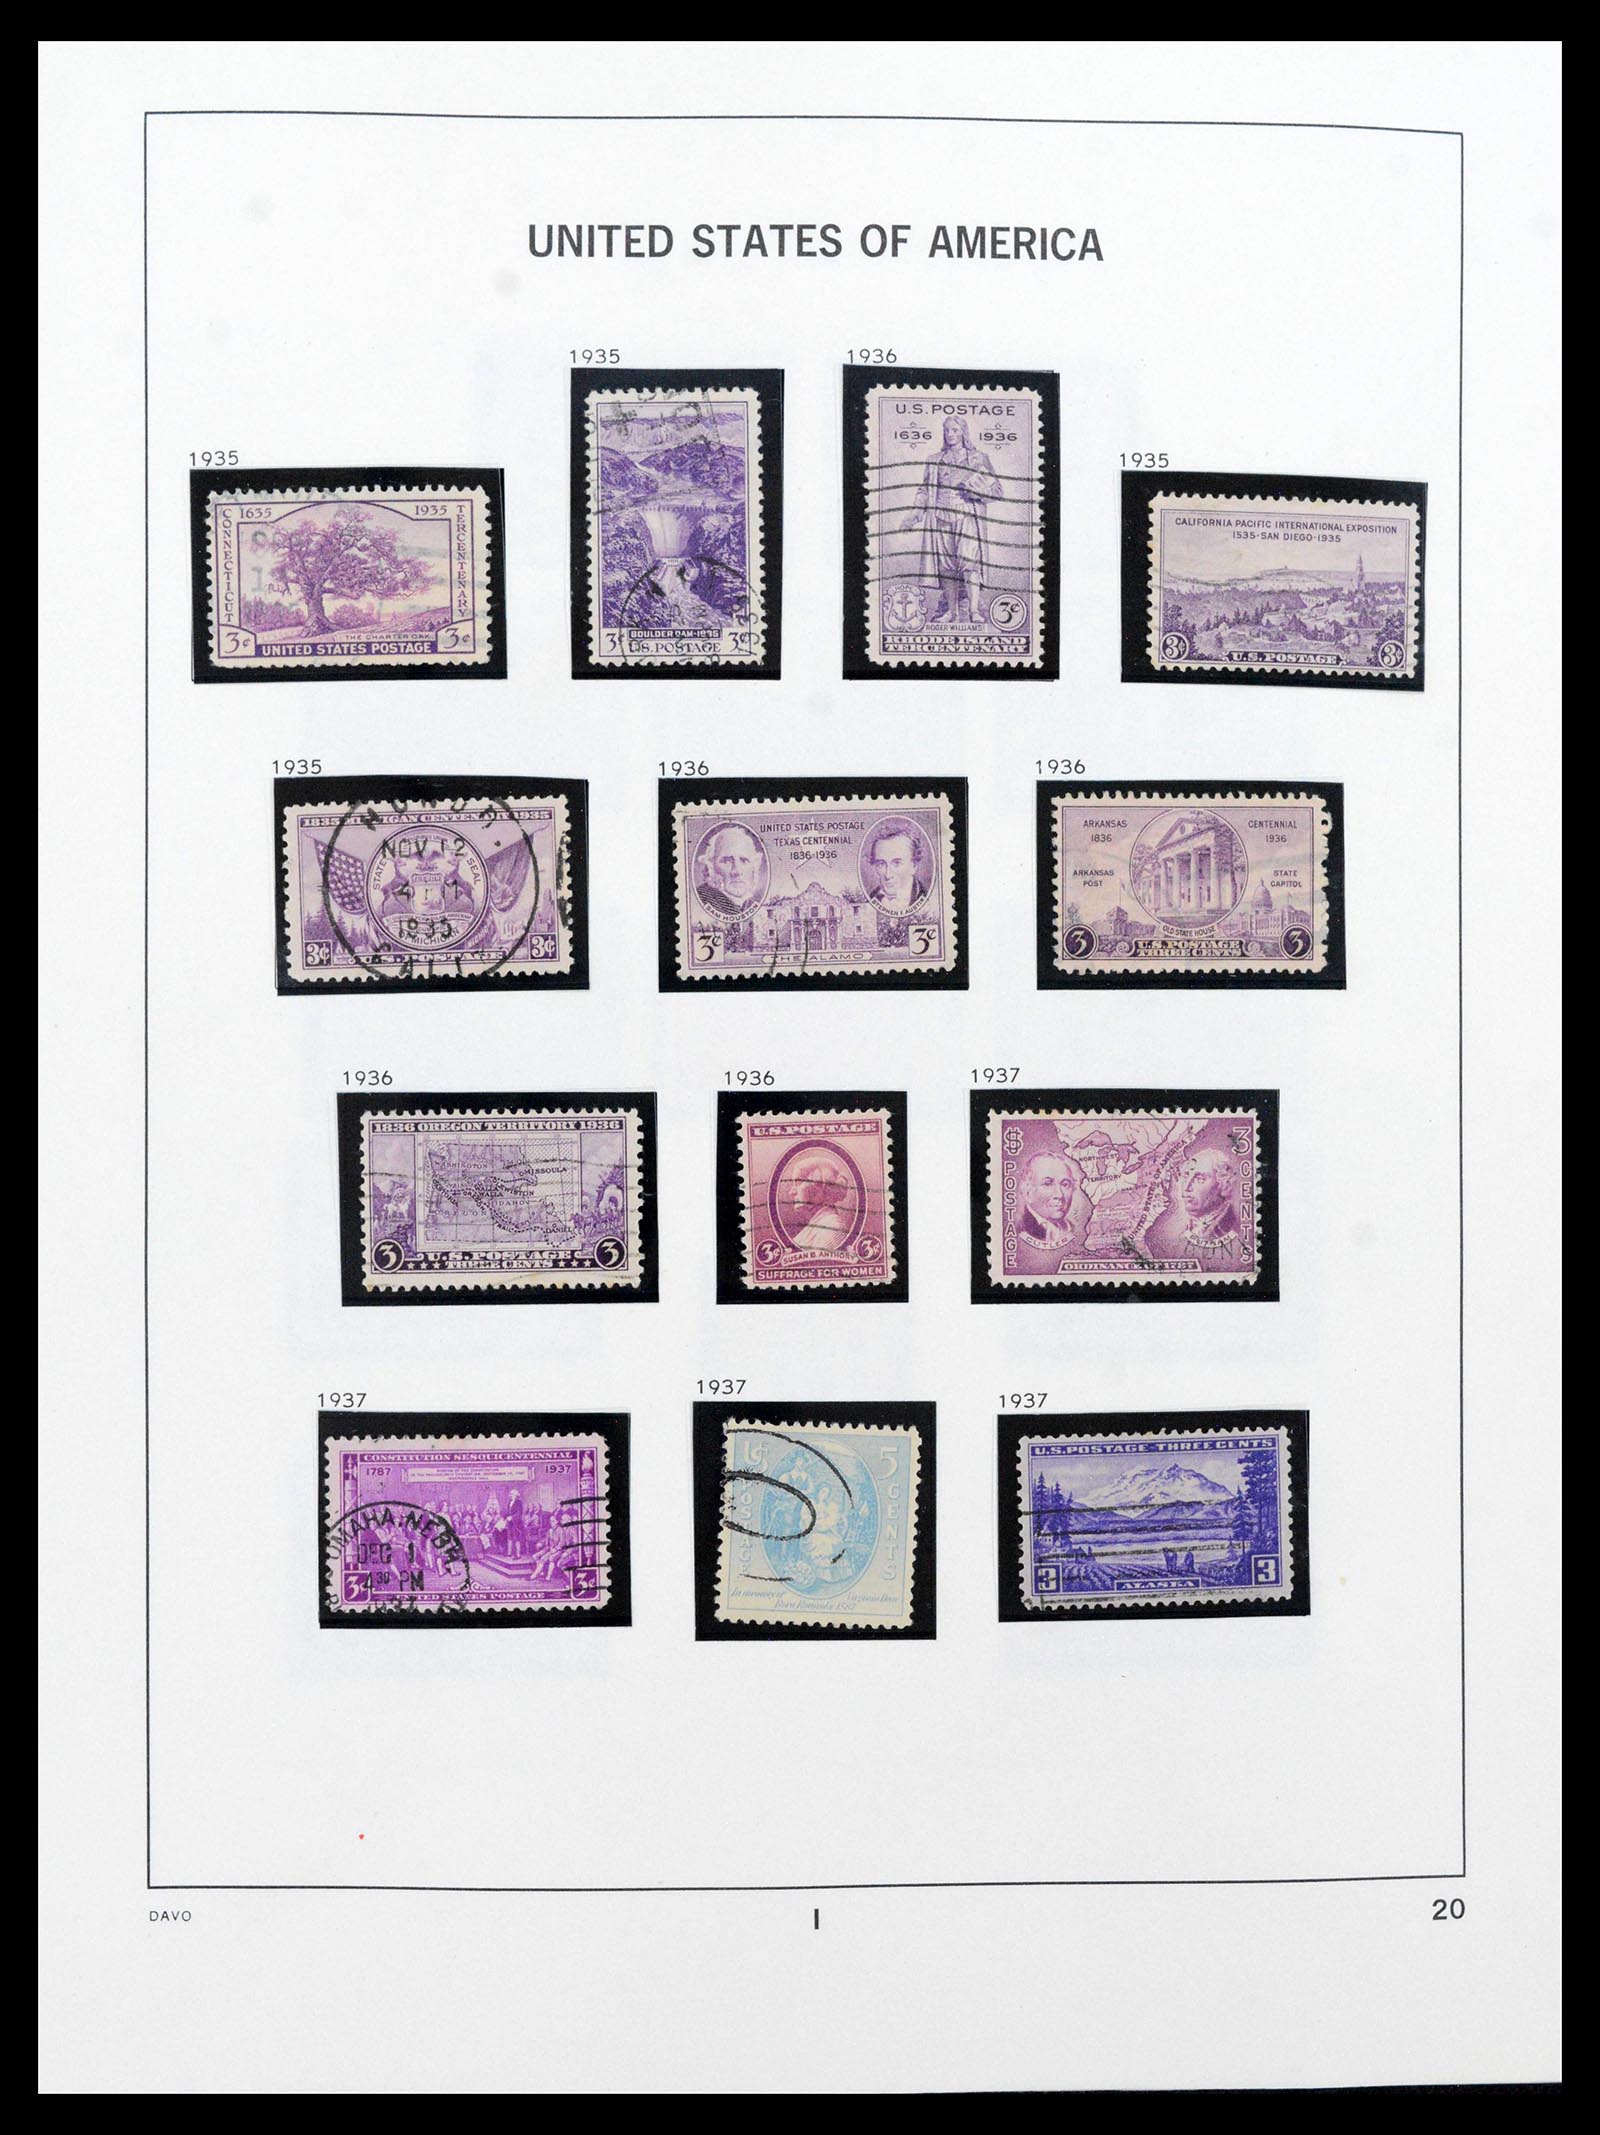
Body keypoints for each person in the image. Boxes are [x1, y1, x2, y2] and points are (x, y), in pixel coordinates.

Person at [902, 413, 1005, 627]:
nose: (950, 434)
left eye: (955, 430)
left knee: (970, 563)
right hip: (941, 516)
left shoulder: (978, 458)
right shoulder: (934, 460)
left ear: (963, 432)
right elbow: (924, 490)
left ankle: (974, 611)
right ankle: (951, 611)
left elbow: (997, 490)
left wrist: (977, 492)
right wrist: (915, 513)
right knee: (946, 566)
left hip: (967, 514)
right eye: (947, 430)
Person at [1015, 1149, 1093, 1253]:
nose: (1059, 1195)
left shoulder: (1072, 1228)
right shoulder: (1021, 1228)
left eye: (1065, 1184)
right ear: (1028, 1193)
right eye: (1047, 1184)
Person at [780, 1153, 854, 1250]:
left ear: (820, 1187)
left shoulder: (832, 1227)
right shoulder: (816, 1225)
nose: (791, 1192)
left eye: (798, 1182)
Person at [696, 824, 766, 915]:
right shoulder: (702, 898)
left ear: (754, 865)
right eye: (726, 861)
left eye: (744, 860)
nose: (737, 871)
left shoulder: (749, 904)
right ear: (711, 865)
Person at [1180, 1147, 1240, 1249]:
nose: (1186, 1187)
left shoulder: (1234, 1227)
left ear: (1224, 1185)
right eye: (1186, 1176)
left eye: (1200, 1179)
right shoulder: (1182, 1230)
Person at [866, 826, 929, 913]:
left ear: (913, 866)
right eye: (881, 864)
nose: (888, 875)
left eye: (897, 863)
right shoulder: (870, 899)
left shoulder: (926, 899)